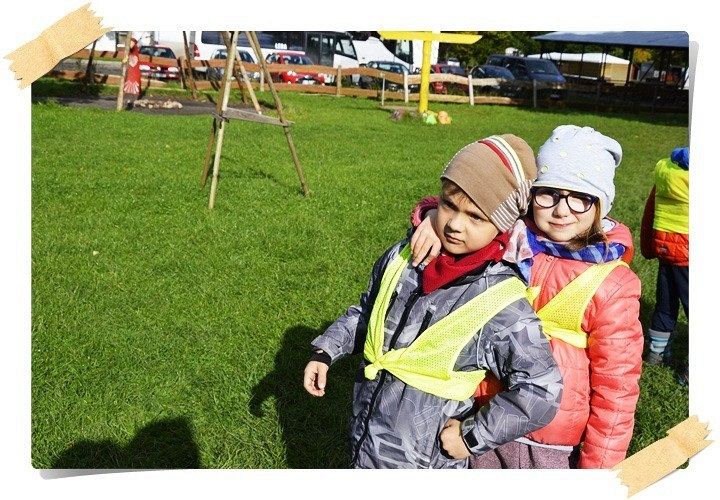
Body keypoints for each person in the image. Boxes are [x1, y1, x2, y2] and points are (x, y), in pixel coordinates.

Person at [303, 134, 563, 469]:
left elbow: (541, 389)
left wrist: (473, 436)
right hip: (366, 434)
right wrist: (326, 351)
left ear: (503, 225)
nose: (454, 224)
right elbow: (369, 311)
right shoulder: (403, 257)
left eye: (476, 217)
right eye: (449, 205)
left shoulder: (500, 302)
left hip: (425, 461)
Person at [410, 125, 643, 469]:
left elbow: (616, 390)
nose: (561, 210)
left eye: (580, 197)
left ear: (601, 205)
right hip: (480, 415)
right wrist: (430, 218)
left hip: (549, 444)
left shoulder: (612, 284)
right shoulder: (510, 241)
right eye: (548, 194)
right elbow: (463, 211)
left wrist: (598, 474)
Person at [640, 146, 689, 384]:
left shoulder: (666, 172)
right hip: (690, 255)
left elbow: (650, 211)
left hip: (666, 251)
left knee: (665, 305)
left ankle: (656, 354)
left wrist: (648, 246)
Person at [122, 37, 141, 109]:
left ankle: (133, 100)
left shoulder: (135, 49)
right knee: (128, 83)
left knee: (134, 84)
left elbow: (132, 47)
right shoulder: (128, 51)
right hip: (130, 71)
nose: (130, 44)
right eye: (130, 42)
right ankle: (127, 99)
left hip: (135, 71)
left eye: (132, 43)